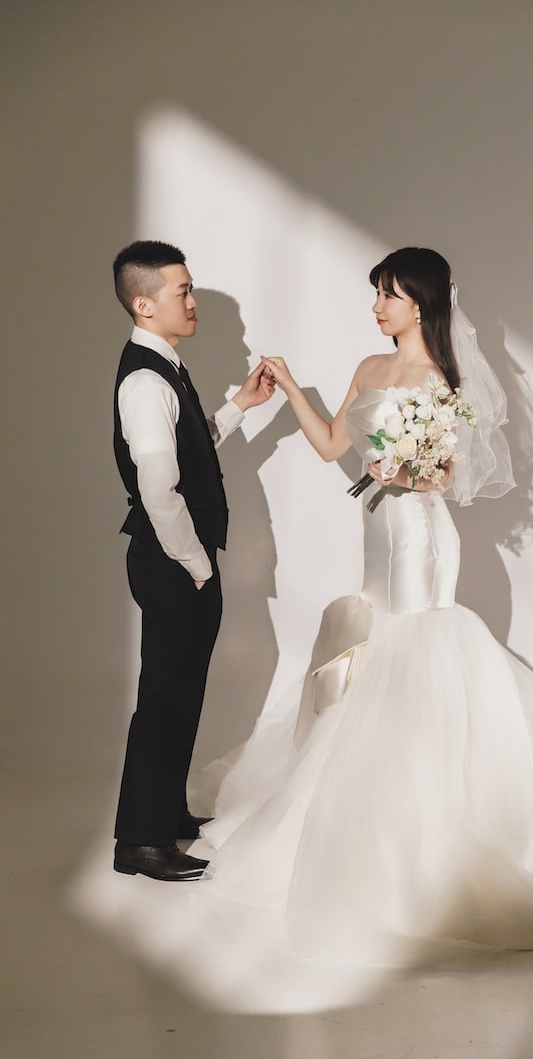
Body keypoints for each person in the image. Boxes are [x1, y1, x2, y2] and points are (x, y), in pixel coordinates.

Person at [188, 247, 533, 972]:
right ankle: (375, 809)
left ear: (421, 303)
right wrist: (288, 391)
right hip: (377, 532)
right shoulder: (369, 367)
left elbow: (445, 473)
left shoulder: (442, 377)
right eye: (376, 293)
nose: (377, 306)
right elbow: (332, 445)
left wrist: (403, 469)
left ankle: (430, 821)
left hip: (418, 537)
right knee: (373, 644)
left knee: (409, 648)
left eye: (388, 295)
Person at [111, 240, 274, 881]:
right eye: (182, 291)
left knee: (181, 694)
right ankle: (141, 843)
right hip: (173, 561)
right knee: (165, 699)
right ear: (144, 304)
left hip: (178, 559)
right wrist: (196, 564)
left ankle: (165, 815)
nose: (192, 301)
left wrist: (241, 407)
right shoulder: (146, 381)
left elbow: (189, 449)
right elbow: (159, 490)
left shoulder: (165, 369)